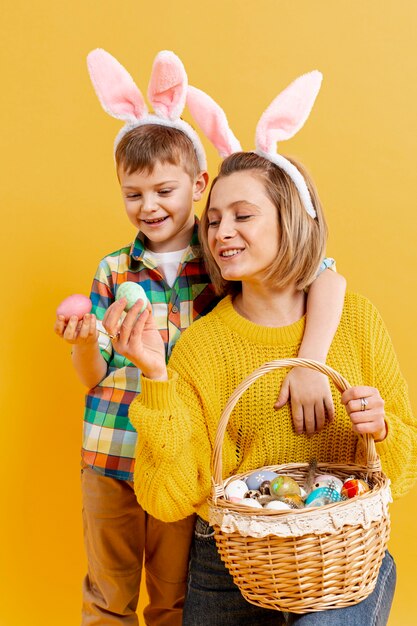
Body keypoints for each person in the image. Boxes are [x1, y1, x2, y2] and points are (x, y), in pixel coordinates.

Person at [102, 73, 417, 626]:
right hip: (227, 563)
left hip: (339, 558)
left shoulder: (356, 321)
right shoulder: (201, 346)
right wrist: (154, 377)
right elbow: (170, 498)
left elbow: (407, 466)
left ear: (290, 218)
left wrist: (380, 428)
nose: (222, 232)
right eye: (215, 219)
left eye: (243, 216)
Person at [54, 53, 345, 626]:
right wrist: (83, 341)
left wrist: (311, 362)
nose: (149, 206)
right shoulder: (113, 269)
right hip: (110, 453)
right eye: (133, 194)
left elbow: (326, 273)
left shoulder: (222, 257)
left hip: (181, 459)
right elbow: (93, 377)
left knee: (173, 599)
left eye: (163, 190)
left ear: (198, 183)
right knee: (106, 597)